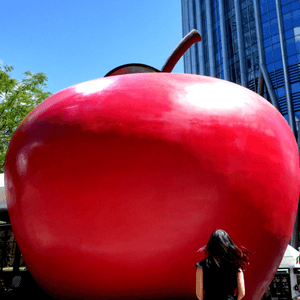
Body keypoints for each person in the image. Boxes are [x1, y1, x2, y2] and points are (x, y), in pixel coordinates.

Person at [195, 229, 250, 300]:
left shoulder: (201, 266)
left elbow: (199, 294)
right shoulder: (236, 265)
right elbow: (242, 293)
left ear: (211, 245)